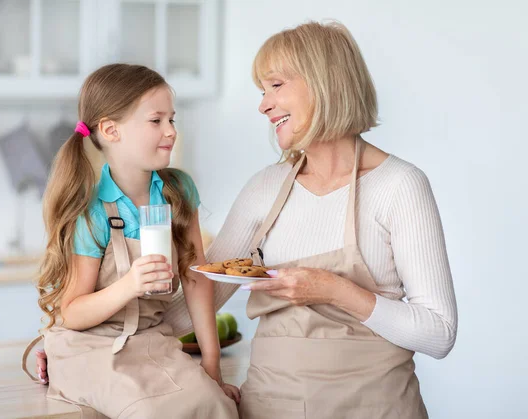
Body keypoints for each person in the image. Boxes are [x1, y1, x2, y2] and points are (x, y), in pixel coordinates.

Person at [191, 20, 458, 418]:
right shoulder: (264, 188)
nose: (263, 105)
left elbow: (439, 333)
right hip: (269, 409)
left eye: (276, 85)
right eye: (262, 92)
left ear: (324, 82)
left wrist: (334, 290)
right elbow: (200, 298)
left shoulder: (399, 185)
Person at [21, 63, 239, 419]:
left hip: (152, 341)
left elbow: (196, 279)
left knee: (218, 407)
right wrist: (129, 285)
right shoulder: (92, 211)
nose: (171, 131)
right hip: (90, 349)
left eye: (173, 119)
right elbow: (72, 312)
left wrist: (212, 366)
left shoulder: (178, 191)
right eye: (156, 121)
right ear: (110, 130)